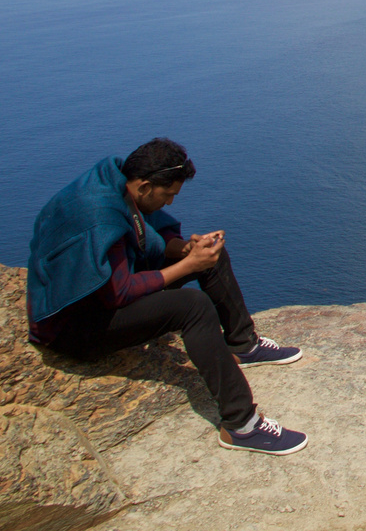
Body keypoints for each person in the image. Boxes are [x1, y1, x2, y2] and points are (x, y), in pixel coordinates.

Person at [26, 137, 308, 455]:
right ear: (145, 186)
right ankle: (241, 426)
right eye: (168, 195)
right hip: (74, 328)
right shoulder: (99, 216)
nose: (170, 203)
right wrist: (188, 264)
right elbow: (117, 293)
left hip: (104, 300)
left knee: (212, 255)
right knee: (193, 307)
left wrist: (188, 250)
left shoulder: (120, 181)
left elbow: (155, 233)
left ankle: (244, 345)